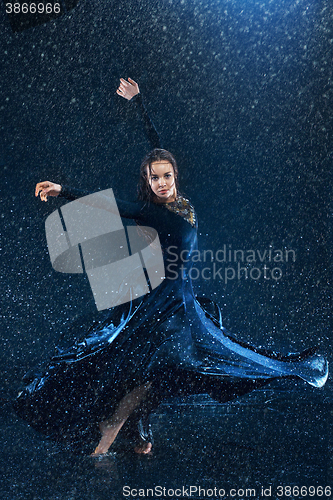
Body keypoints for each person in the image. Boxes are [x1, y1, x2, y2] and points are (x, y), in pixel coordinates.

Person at [14, 78, 328, 457]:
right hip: (160, 304)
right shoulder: (150, 211)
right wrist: (63, 190)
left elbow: (155, 142)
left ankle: (133, 432)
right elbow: (107, 205)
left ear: (174, 176)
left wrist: (139, 103)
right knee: (153, 369)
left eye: (167, 176)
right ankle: (107, 442)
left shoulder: (179, 200)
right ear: (147, 182)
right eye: (154, 178)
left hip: (182, 300)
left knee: (168, 369)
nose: (162, 183)